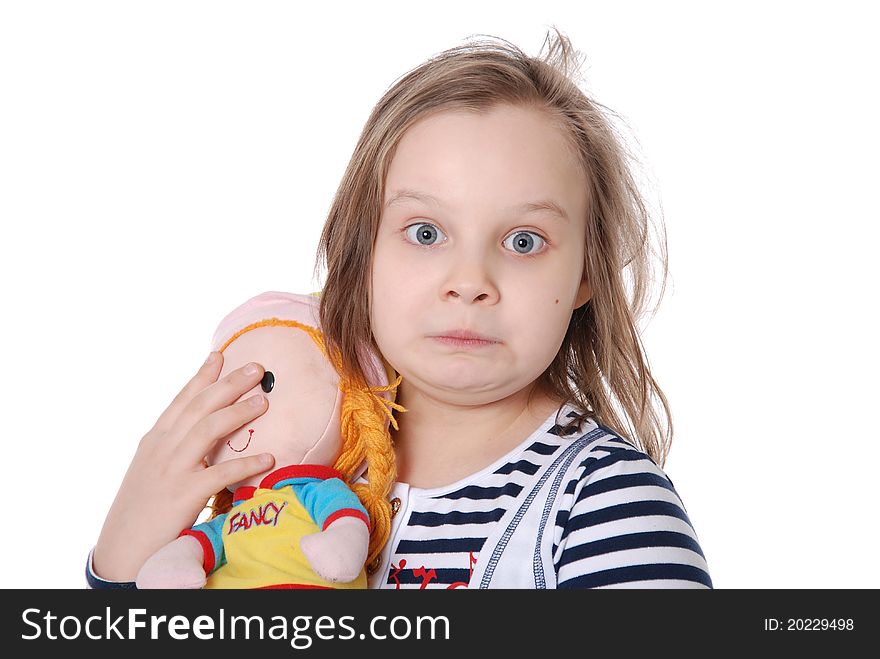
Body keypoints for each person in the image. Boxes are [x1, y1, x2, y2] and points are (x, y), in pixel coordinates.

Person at [88, 28, 712, 589]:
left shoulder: (606, 506)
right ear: (360, 255)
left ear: (586, 274)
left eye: (524, 241)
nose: (469, 283)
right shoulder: (292, 476)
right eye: (425, 232)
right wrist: (121, 561)